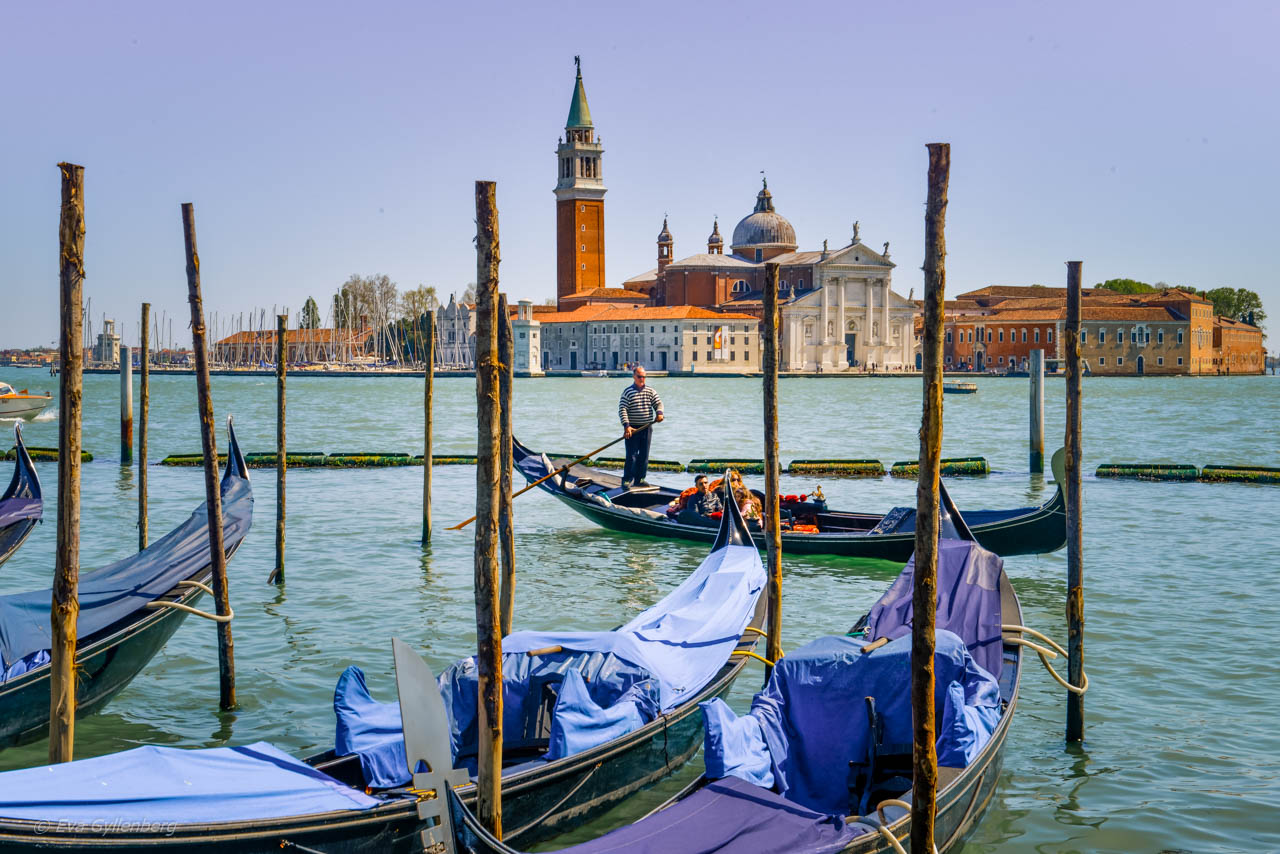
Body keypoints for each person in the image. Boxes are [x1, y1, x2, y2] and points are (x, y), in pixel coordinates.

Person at [618, 366, 663, 488]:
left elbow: (658, 403)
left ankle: (640, 479)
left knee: (644, 456)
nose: (642, 379)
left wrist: (659, 413)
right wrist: (626, 426)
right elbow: (622, 409)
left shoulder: (650, 391)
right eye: (639, 376)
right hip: (632, 429)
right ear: (634, 377)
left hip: (647, 427)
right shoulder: (628, 392)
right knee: (631, 456)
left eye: (644, 377)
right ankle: (627, 479)